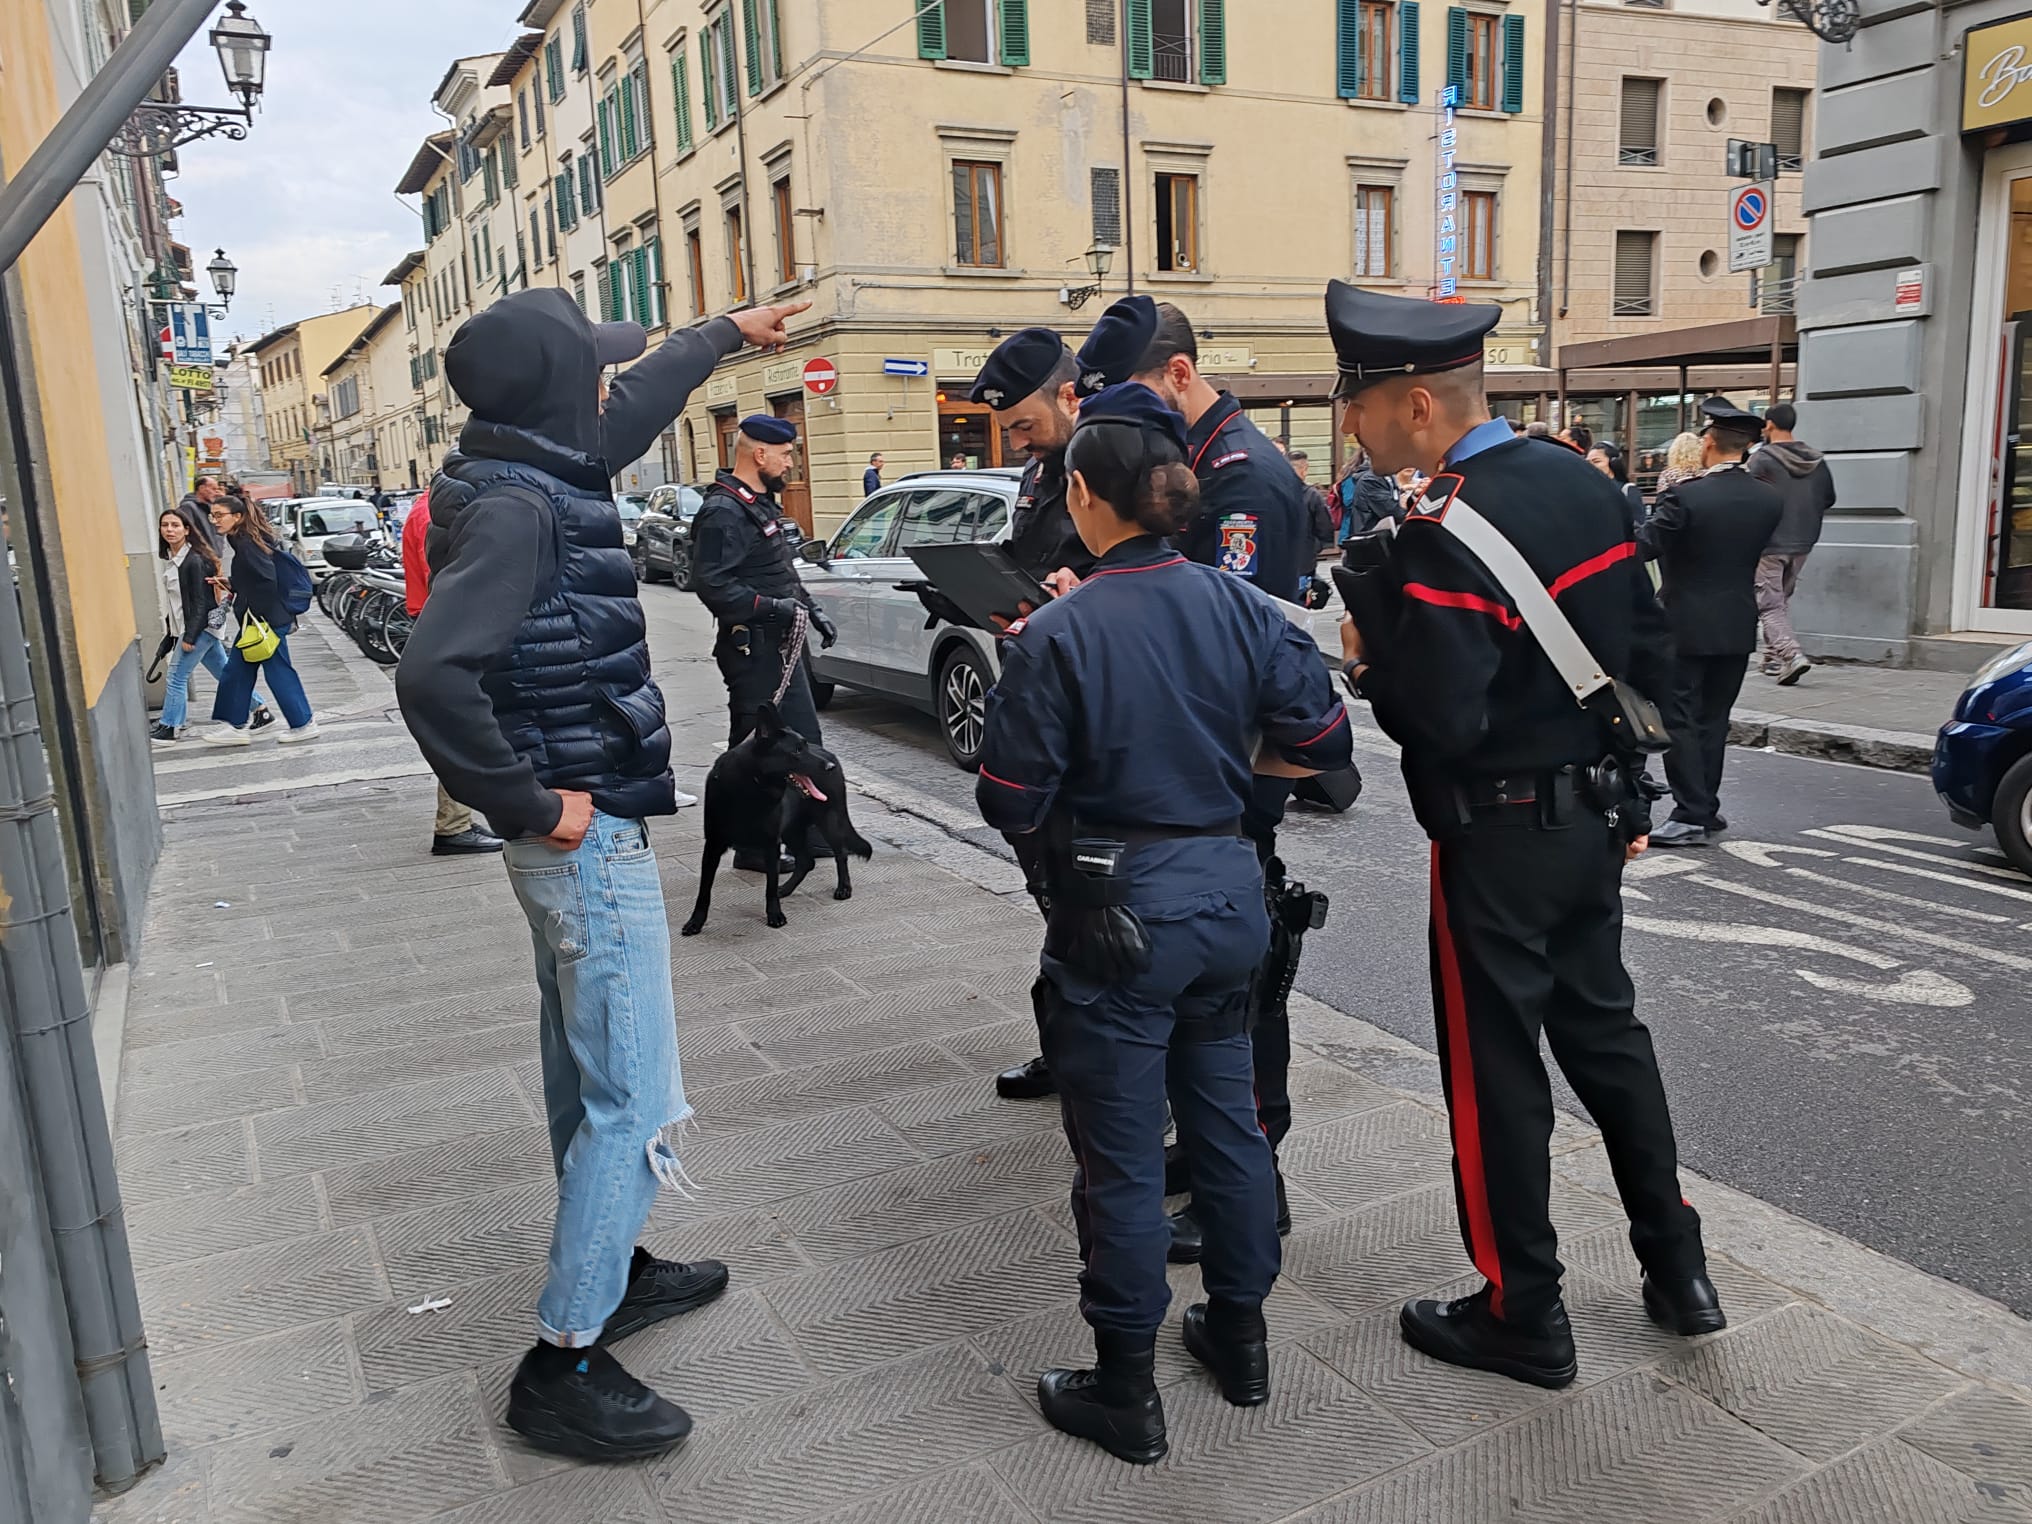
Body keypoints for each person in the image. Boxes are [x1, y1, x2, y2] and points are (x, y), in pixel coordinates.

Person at [396, 286, 806, 1461]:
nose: (608, 389)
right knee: (630, 1098)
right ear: (554, 393)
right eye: (593, 371)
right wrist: (528, 802)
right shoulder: (527, 508)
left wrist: (725, 336)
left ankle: (614, 1269)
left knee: (585, 1081)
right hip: (585, 838)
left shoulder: (529, 464)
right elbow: (432, 677)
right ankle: (564, 1359)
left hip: (575, 834)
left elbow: (633, 409)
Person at [1328, 281, 1722, 1390]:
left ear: (1412, 403)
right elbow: (1650, 652)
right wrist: (1637, 805)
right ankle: (1677, 1269)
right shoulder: (1584, 484)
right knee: (1608, 1038)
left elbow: (1440, 720)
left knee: (1495, 1071)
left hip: (1496, 837)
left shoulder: (1440, 529)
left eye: (1355, 406)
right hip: (1594, 819)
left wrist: (1368, 658)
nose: (1350, 430)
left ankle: (1522, 1310)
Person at [975, 382, 1352, 1463]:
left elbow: (1010, 800)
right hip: (1231, 896)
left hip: (1116, 913)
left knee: (1123, 1157)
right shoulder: (1240, 606)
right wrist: (1218, 762)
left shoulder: (1055, 632)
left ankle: (1126, 1387)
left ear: (1085, 497)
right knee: (1228, 1125)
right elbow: (1325, 749)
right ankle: (1238, 1339)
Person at [1073, 295, 1322, 1260]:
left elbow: (1238, 650)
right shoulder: (1195, 464)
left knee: (1244, 1011)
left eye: (1137, 397)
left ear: (1179, 374)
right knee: (1207, 1010)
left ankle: (1256, 1183)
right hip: (1200, 797)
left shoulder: (1241, 475)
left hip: (1225, 796)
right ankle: (1223, 1162)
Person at [967, 326, 1102, 1104]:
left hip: (1086, 714)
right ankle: (1064, 1045)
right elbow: (1029, 560)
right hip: (1034, 691)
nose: (1017, 441)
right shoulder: (1043, 471)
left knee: (1086, 894)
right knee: (1048, 891)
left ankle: (1100, 1057)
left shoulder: (1113, 462)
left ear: (1070, 395)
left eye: (1024, 424)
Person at [1640, 398, 1784, 849]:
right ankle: (1708, 805)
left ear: (1708, 442)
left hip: (1684, 622)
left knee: (1679, 719)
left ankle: (1690, 813)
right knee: (1714, 719)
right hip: (1738, 621)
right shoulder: (1767, 499)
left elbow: (1644, 546)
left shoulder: (1685, 496)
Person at [692, 415, 837, 753]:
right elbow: (711, 583)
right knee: (757, 754)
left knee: (799, 750)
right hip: (753, 652)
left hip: (779, 646)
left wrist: (813, 612)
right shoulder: (723, 511)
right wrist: (774, 608)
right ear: (760, 456)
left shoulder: (758, 504)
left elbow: (780, 569)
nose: (790, 463)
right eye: (785, 454)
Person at [398, 489, 504, 856]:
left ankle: (459, 819)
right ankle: (453, 824)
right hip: (447, 626)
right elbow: (447, 576)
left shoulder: (425, 508)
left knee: (465, 726)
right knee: (463, 728)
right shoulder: (433, 514)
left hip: (437, 623)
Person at [196, 496, 318, 746]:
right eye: (213, 515)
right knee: (237, 671)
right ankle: (237, 725)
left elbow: (267, 579)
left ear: (237, 517)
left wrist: (256, 613)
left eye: (220, 515)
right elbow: (258, 578)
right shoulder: (244, 540)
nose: (215, 520)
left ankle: (302, 723)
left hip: (264, 621)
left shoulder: (247, 543)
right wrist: (233, 584)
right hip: (262, 620)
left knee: (276, 672)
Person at [1746, 402, 1835, 685]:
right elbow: (1829, 498)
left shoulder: (1762, 459)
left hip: (1770, 541)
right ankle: (1773, 659)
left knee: (1769, 604)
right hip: (1804, 540)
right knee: (1780, 599)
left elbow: (1746, 495)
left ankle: (1791, 655)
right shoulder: (1817, 460)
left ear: (1769, 425)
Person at [151, 509, 228, 743]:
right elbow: (176, 604)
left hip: (199, 629)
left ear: (186, 530)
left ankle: (170, 727)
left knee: (176, 676)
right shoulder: (174, 561)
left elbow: (201, 603)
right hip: (189, 629)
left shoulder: (193, 560)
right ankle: (260, 712)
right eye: (165, 525)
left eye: (175, 525)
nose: (170, 530)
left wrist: (190, 637)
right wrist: (170, 635)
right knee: (226, 675)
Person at [1586, 441, 1647, 534]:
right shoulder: (1587, 490)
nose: (1591, 466)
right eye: (1587, 463)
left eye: (1596, 461)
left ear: (1612, 462)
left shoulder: (1627, 490)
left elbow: (1639, 525)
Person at [1288, 450, 1338, 556]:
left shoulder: (1272, 492)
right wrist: (1316, 545)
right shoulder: (1312, 495)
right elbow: (1325, 527)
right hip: (1304, 556)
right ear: (1304, 469)